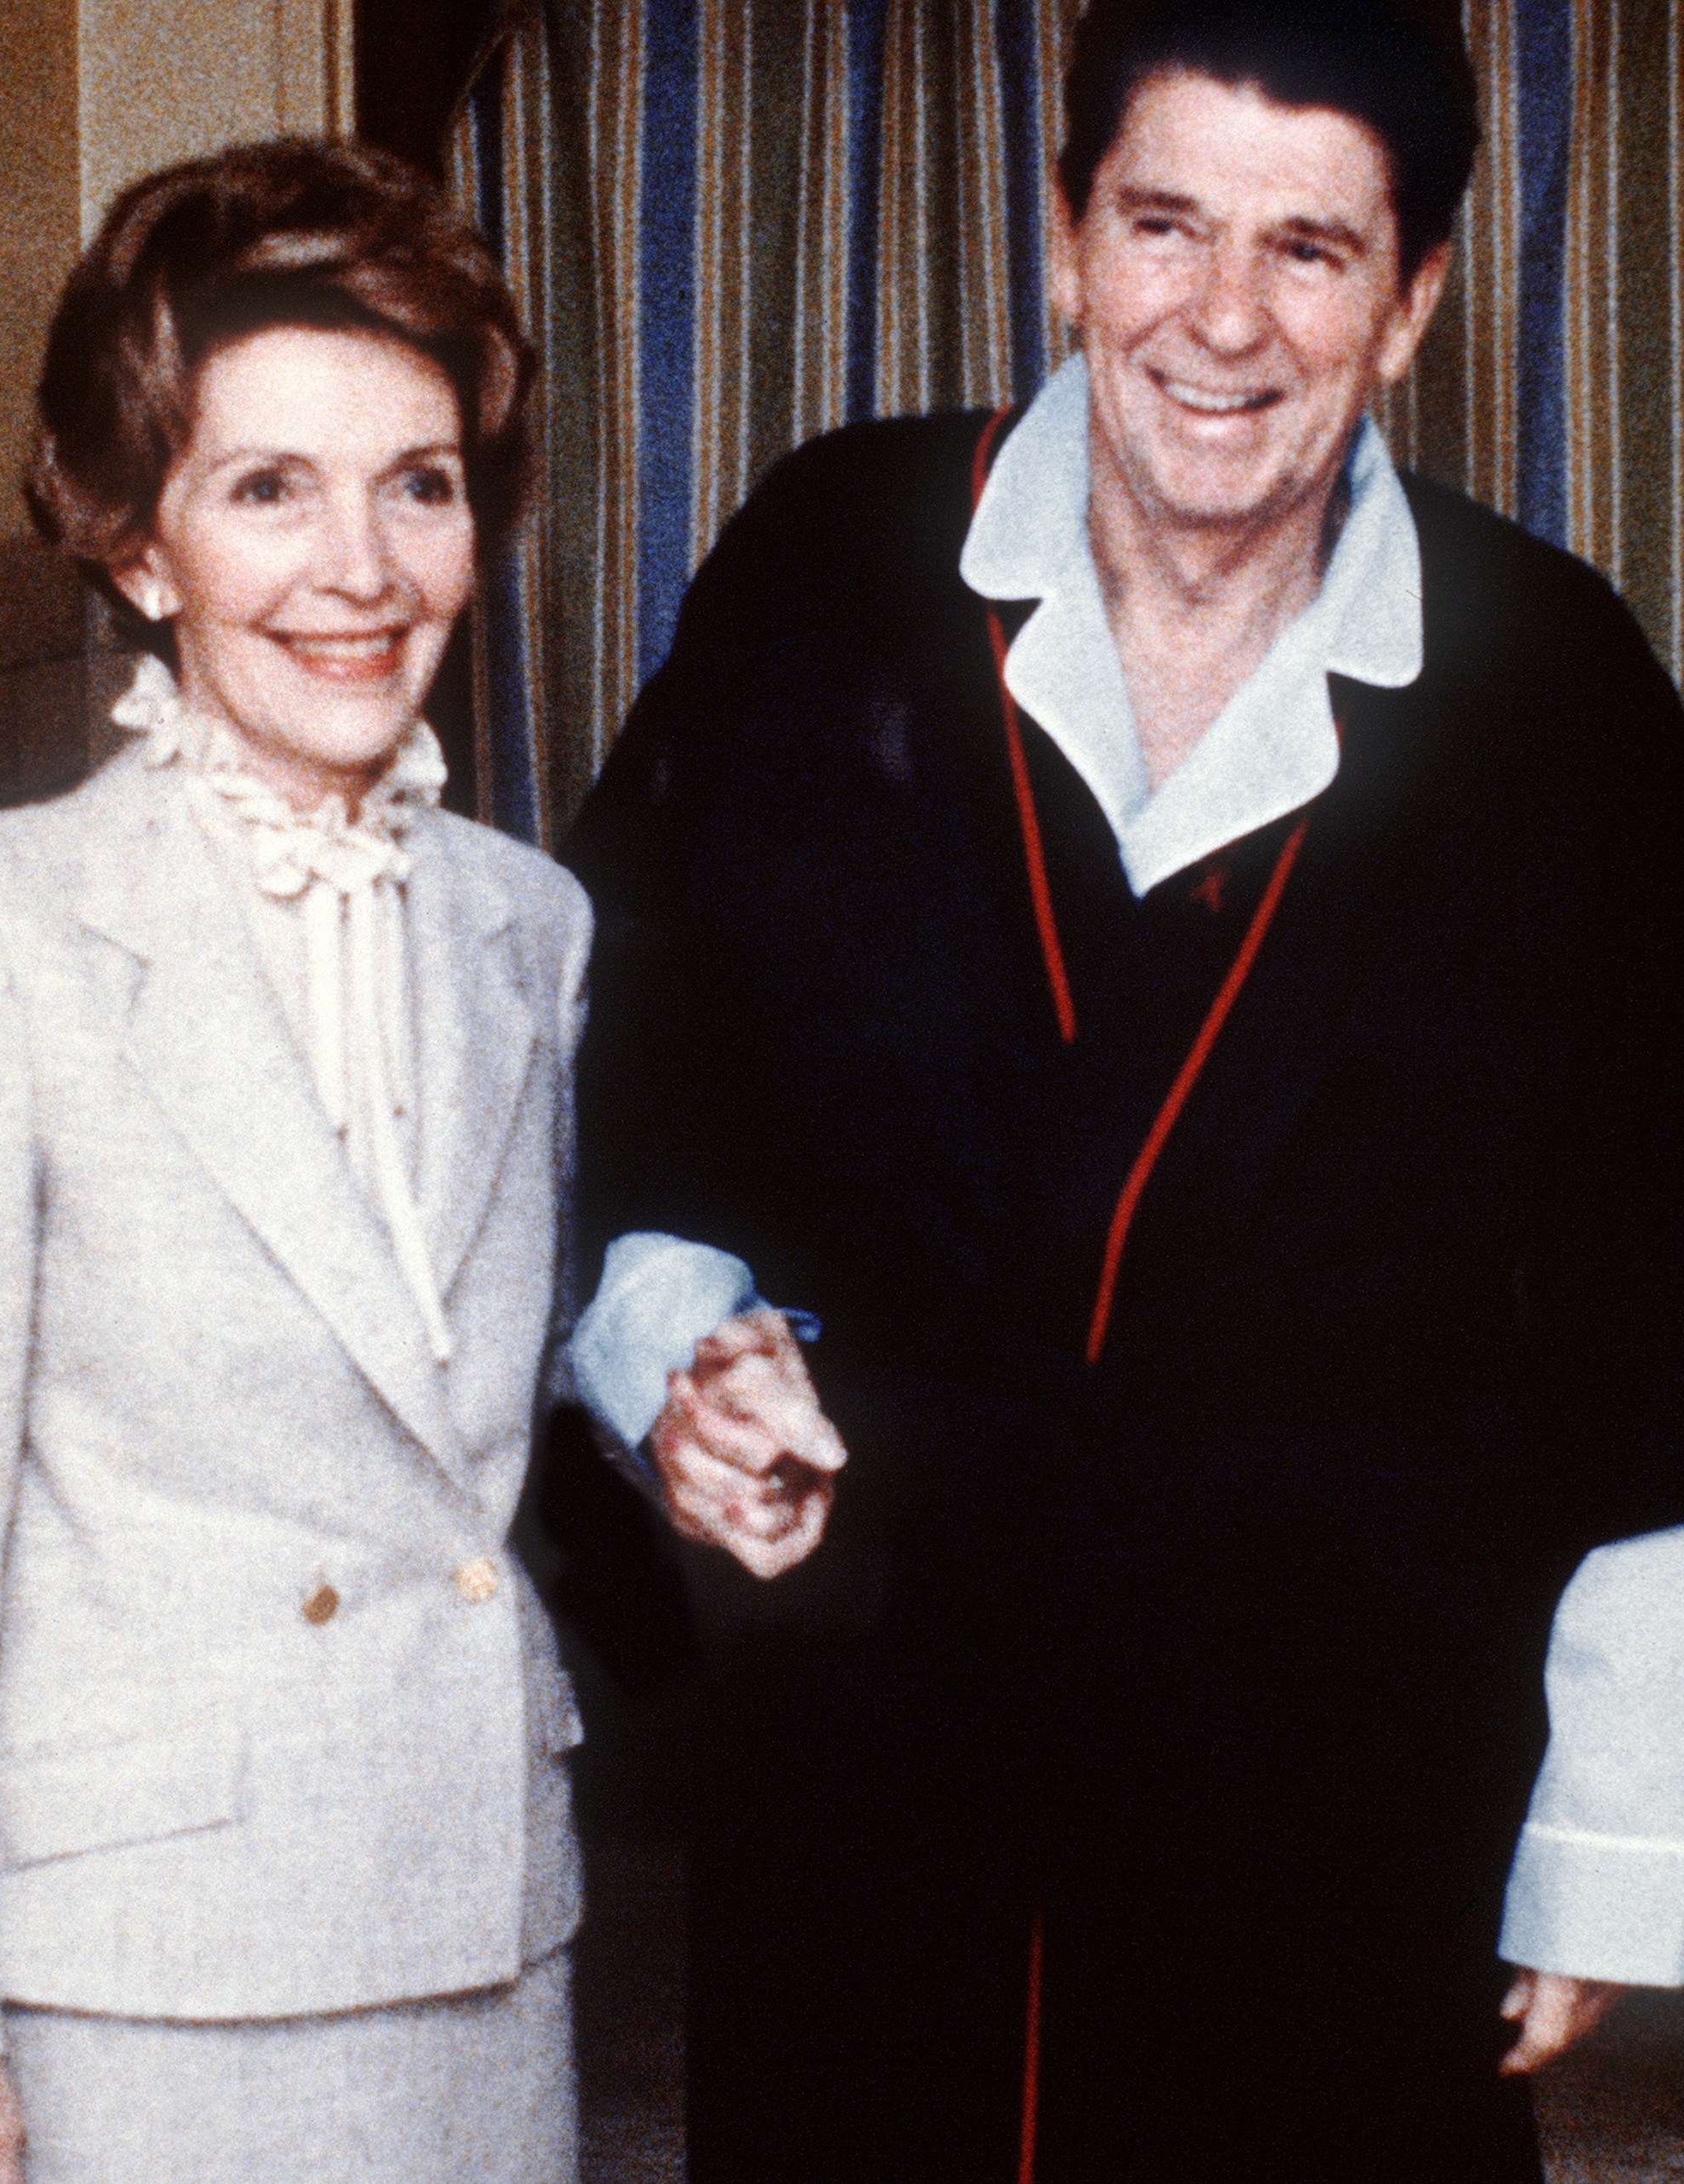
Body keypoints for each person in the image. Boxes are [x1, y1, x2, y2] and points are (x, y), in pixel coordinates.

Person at [561, 2, 1684, 2178]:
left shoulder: (1559, 692)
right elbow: (629, 1064)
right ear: (1065, 237)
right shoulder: (829, 563)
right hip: (871, 1759)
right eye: (1162, 225)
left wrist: (1604, 1824)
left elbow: (1663, 1286)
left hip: (1346, 1800)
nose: (1222, 322)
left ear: (1418, 295)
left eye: (1311, 251)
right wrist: (674, 1352)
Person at [0, 140, 589, 2184]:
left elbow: (451, 1403)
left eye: (419, 480)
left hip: (489, 1926)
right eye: (267, 487)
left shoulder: (529, 925)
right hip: (147, 1974)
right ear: (136, 544)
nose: (363, 567)